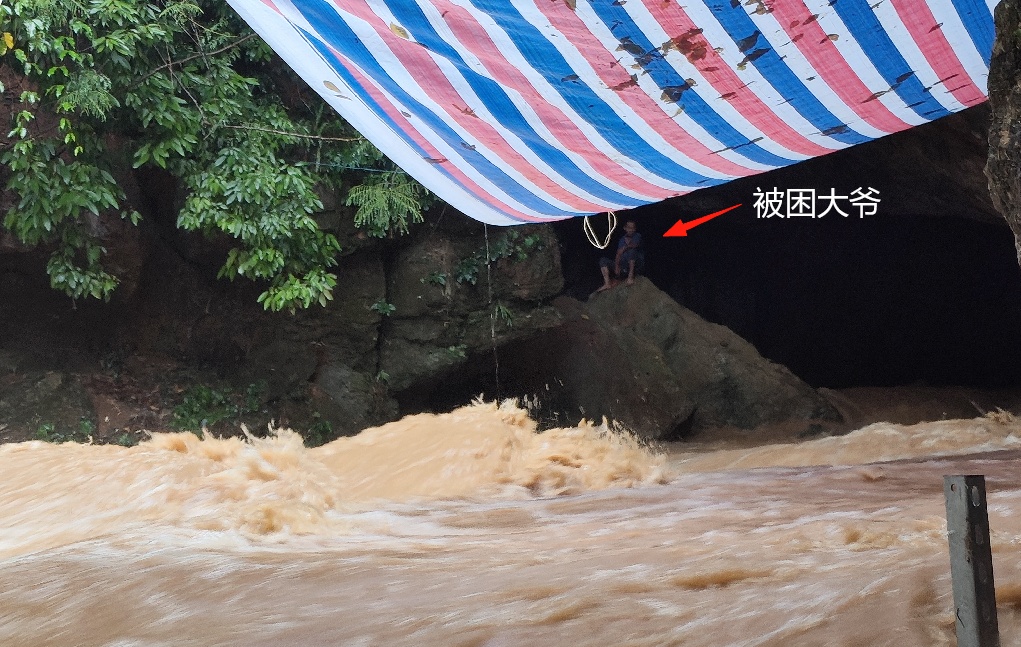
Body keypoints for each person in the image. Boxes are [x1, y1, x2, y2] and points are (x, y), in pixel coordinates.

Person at [596, 220, 643, 292]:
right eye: (629, 227)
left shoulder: (637, 236)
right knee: (603, 260)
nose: (631, 230)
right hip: (623, 265)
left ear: (635, 229)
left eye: (632, 228)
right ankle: (607, 283)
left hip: (634, 264)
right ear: (625, 228)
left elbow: (634, 245)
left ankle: (630, 278)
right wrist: (617, 267)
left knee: (631, 251)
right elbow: (618, 253)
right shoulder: (622, 239)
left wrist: (625, 247)